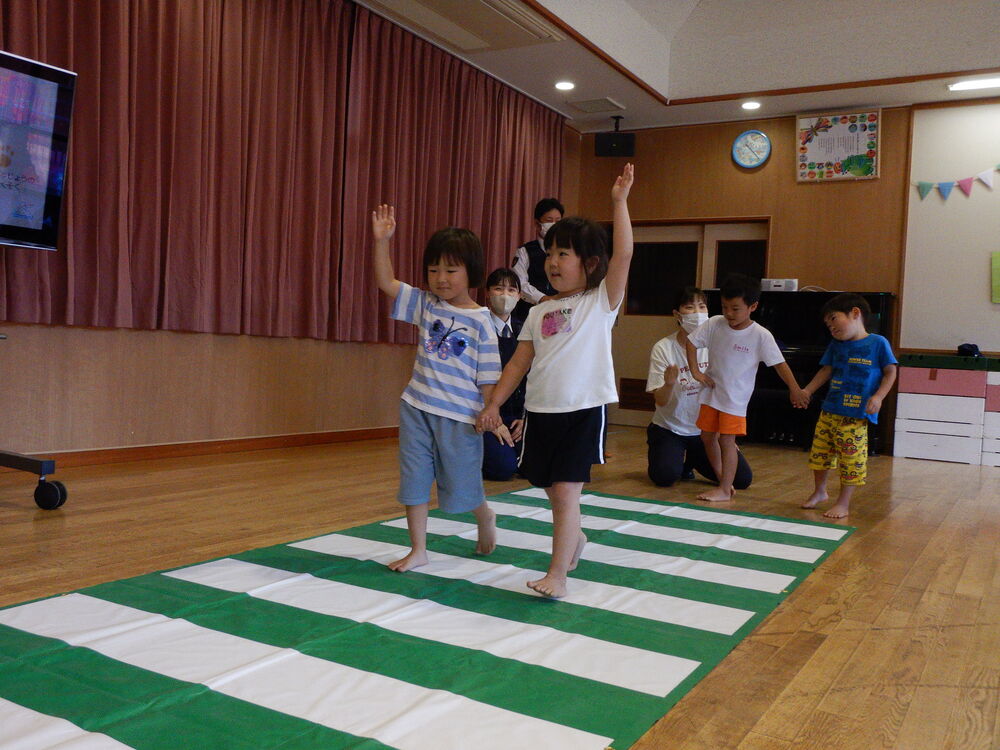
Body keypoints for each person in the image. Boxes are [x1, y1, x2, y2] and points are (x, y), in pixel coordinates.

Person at [478, 163, 635, 599]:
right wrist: (494, 404)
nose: (552, 262)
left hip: (583, 410)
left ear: (589, 263)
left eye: (562, 254)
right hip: (540, 413)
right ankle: (575, 541)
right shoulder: (541, 309)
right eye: (549, 255)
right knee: (550, 488)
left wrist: (619, 202)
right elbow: (517, 364)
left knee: (566, 492)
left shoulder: (600, 301)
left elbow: (623, 256)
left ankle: (558, 575)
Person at [371, 204, 512, 572]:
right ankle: (419, 549)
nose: (441, 278)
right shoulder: (426, 304)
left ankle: (484, 516)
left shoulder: (482, 321)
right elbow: (387, 283)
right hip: (416, 407)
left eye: (451, 269)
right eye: (434, 270)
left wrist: (490, 411)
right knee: (414, 479)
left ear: (471, 272)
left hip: (459, 417)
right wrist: (382, 242)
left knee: (461, 486)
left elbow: (487, 375)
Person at [686, 273, 807, 502]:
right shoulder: (714, 324)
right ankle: (723, 480)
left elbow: (780, 365)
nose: (729, 314)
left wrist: (795, 389)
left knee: (726, 440)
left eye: (735, 309)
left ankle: (724, 488)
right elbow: (691, 343)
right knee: (707, 436)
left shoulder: (760, 335)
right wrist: (695, 371)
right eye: (724, 307)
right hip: (711, 393)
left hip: (735, 400)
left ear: (753, 306)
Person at [800, 293, 897, 518]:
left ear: (855, 313)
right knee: (820, 454)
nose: (831, 328)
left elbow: (890, 371)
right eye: (827, 324)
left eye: (834, 319)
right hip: (830, 410)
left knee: (850, 459)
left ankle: (843, 503)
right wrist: (807, 390)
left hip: (856, 414)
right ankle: (819, 492)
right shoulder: (836, 345)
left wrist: (879, 397)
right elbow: (826, 370)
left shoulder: (878, 343)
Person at [646, 286, 753, 489]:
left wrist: (725, 437)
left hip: (706, 431)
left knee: (742, 479)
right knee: (665, 476)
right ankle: (679, 459)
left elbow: (724, 394)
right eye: (689, 307)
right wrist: (669, 384)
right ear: (677, 314)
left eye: (702, 307)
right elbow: (660, 400)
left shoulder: (717, 343)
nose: (697, 313)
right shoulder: (663, 348)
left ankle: (691, 459)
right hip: (670, 428)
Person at [482, 267, 527, 481]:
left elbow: (533, 376)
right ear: (488, 293)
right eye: (499, 289)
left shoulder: (525, 330)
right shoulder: (477, 327)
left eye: (511, 290)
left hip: (517, 414)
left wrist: (525, 417)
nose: (505, 295)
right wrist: (493, 419)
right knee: (502, 469)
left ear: (519, 296)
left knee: (534, 467)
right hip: (485, 413)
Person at [511, 197, 563, 319]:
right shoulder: (525, 251)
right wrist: (542, 298)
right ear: (537, 223)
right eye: (549, 220)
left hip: (557, 312)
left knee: (555, 337)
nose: (554, 225)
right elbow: (520, 283)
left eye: (558, 221)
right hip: (528, 312)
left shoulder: (567, 252)